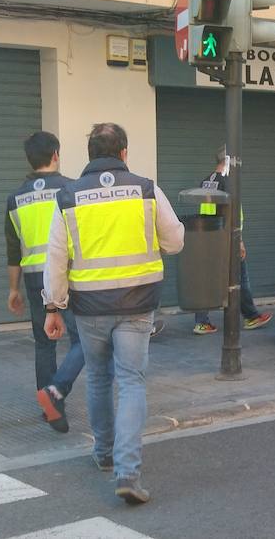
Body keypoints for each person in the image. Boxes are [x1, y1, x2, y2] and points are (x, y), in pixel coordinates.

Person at [43, 123, 185, 504]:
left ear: (89, 155)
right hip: (137, 305)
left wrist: (53, 305)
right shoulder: (146, 189)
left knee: (99, 379)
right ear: (124, 153)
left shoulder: (68, 196)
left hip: (89, 308)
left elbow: (55, 257)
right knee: (132, 381)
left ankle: (103, 453)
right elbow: (174, 240)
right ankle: (127, 472)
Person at [5, 132, 82, 434]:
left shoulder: (15, 198)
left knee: (44, 341)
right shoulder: (72, 189)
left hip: (35, 275)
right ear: (55, 155)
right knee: (82, 340)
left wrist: (13, 288)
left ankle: (49, 406)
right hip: (70, 274)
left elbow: (14, 249)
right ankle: (57, 392)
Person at [193, 146, 273, 335]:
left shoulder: (207, 181)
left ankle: (201, 322)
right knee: (241, 278)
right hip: (227, 236)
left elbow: (207, 210)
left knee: (207, 279)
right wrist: (239, 241)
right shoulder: (229, 182)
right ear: (228, 162)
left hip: (208, 235)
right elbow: (233, 213)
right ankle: (251, 316)